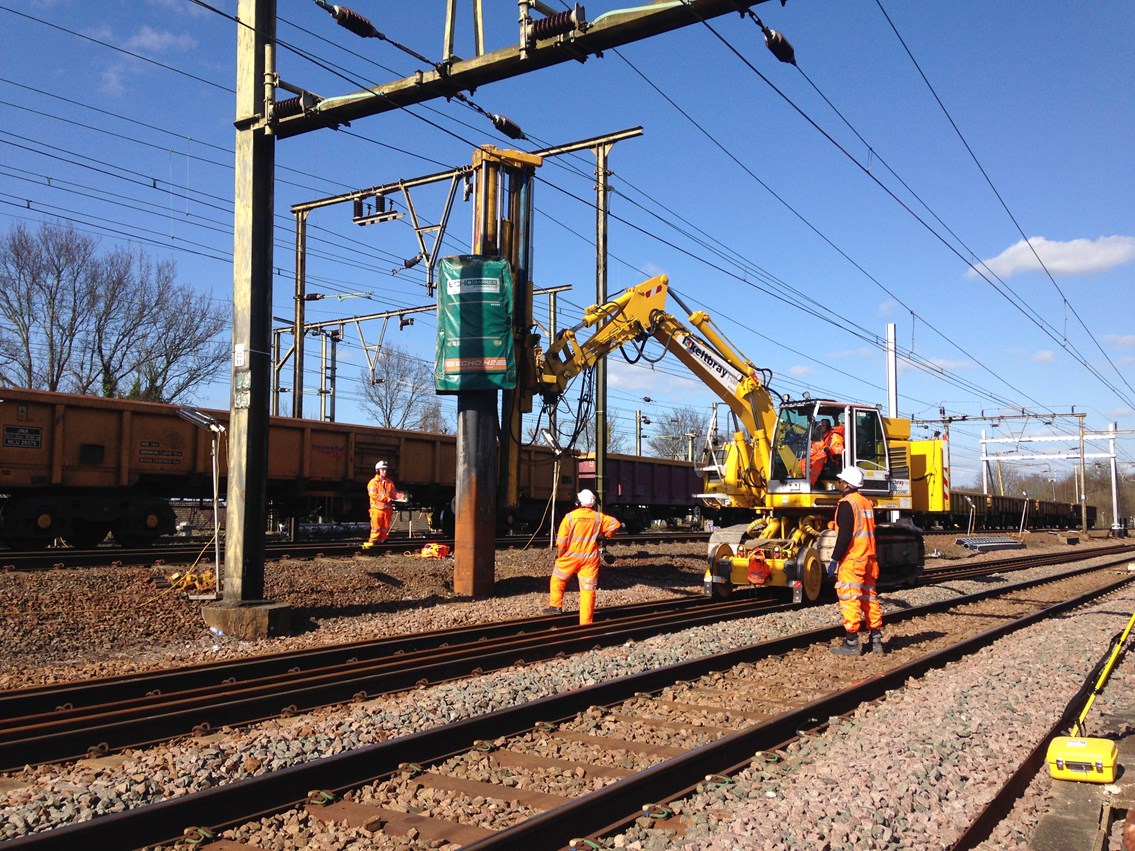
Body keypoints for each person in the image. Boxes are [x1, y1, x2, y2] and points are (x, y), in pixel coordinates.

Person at [825, 466, 884, 655]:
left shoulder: (846, 503)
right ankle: (876, 641)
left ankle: (851, 644)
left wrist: (834, 559)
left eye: (841, 481)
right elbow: (861, 528)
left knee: (850, 598)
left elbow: (845, 535)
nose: (839, 483)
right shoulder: (866, 503)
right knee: (869, 598)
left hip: (853, 559)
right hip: (869, 559)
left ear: (848, 484)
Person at [545, 489, 623, 625]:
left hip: (571, 556)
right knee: (588, 590)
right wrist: (607, 534)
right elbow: (616, 524)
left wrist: (560, 556)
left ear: (579, 501)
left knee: (558, 578)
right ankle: (586, 623)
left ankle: (555, 606)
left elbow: (562, 541)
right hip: (590, 558)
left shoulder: (570, 517)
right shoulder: (598, 517)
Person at [362, 460, 398, 550]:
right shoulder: (373, 482)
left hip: (387, 510)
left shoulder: (390, 483)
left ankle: (382, 542)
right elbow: (373, 494)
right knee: (376, 528)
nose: (385, 471)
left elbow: (394, 493)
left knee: (385, 528)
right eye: (382, 470)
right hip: (377, 510)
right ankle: (373, 542)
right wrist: (386, 498)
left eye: (386, 470)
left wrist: (400, 497)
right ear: (378, 471)